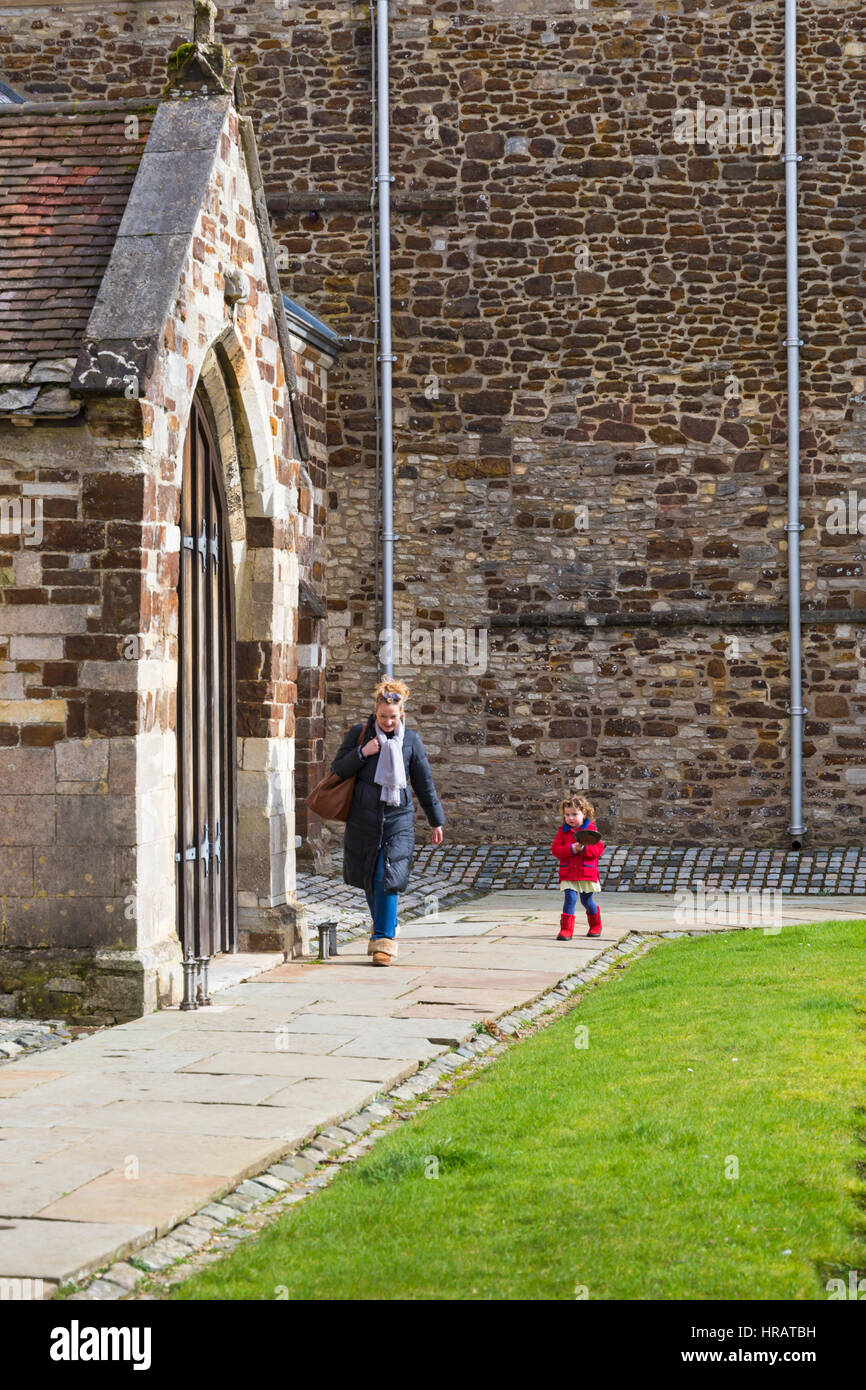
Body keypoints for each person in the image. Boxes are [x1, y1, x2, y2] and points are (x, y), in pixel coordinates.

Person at [331, 677, 445, 966]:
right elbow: (338, 770)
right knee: (370, 878)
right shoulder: (360, 734)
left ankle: (383, 942)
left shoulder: (411, 741)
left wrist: (436, 821)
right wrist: (362, 753)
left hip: (398, 819)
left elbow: (424, 783)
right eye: (383, 716)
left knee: (387, 877)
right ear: (375, 712)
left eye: (393, 717)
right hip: (364, 819)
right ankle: (385, 924)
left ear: (402, 714)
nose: (388, 722)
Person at [551, 795, 605, 940]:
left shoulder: (591, 831)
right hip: (568, 873)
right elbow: (556, 850)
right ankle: (566, 930)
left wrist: (583, 850)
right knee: (570, 898)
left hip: (586, 873)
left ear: (584, 813)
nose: (571, 818)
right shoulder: (562, 831)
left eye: (575, 814)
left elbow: (598, 851)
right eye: (567, 815)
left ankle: (595, 924)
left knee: (587, 901)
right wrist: (570, 849)